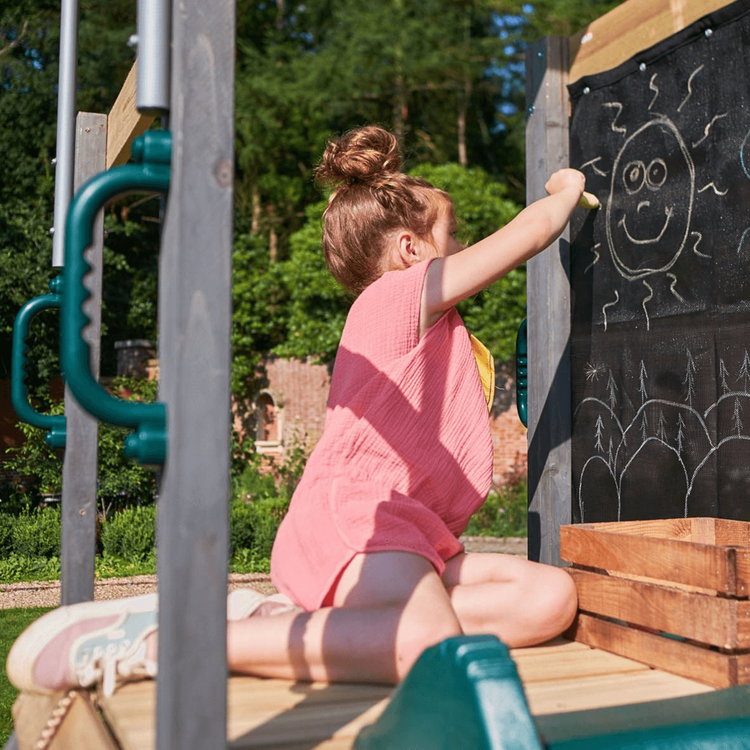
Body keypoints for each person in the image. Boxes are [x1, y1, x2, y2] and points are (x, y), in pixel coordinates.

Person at [7, 126, 581, 697]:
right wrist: (561, 194)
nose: (460, 249)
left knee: (548, 599)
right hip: (358, 515)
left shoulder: (422, 322)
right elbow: (528, 234)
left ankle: (295, 623)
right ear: (412, 249)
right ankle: (172, 643)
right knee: (426, 646)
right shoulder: (398, 295)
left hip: (412, 531)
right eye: (452, 236)